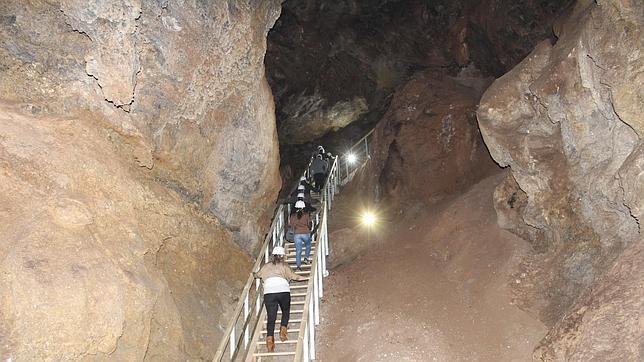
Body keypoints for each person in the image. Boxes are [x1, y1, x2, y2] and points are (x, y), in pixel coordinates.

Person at [253, 246, 306, 352]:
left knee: (271, 318)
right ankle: (282, 331)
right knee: (285, 311)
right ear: (282, 256)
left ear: (273, 255)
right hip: (283, 290)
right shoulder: (284, 265)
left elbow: (257, 275)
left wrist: (253, 274)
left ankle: (270, 343)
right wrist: (305, 278)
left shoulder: (266, 266)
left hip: (269, 293)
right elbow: (294, 276)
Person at [289, 200, 312, 269]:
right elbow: (309, 224)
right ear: (303, 207)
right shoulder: (306, 215)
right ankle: (306, 258)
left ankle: (298, 266)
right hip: (305, 233)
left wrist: (294, 230)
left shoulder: (292, 216)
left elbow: (291, 225)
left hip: (297, 234)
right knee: (308, 245)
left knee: (298, 251)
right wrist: (309, 229)